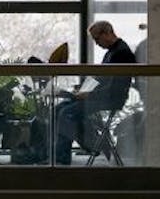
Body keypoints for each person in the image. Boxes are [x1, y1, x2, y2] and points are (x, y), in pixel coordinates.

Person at [53, 20, 136, 165]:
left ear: (108, 33)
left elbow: (114, 88)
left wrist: (88, 94)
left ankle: (65, 156)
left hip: (110, 99)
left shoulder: (121, 53)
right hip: (101, 96)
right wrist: (82, 88)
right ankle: (84, 144)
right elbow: (101, 79)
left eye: (97, 38)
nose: (96, 43)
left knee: (66, 113)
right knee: (58, 109)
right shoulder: (113, 52)